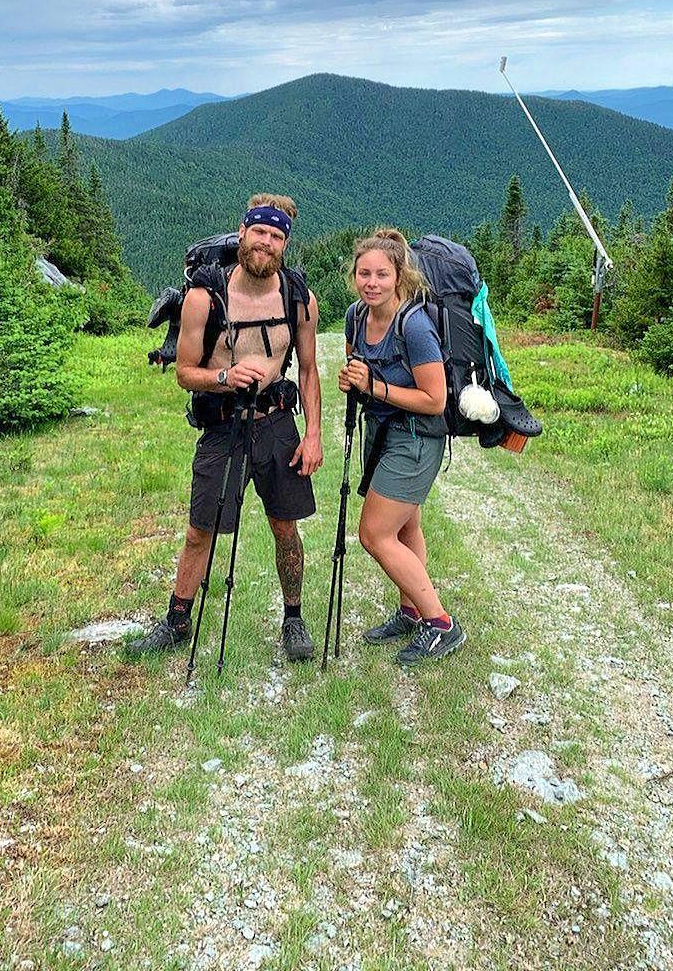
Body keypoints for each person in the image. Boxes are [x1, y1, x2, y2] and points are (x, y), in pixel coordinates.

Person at [129, 194, 324, 661]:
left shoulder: (298, 298)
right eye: (260, 232)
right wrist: (224, 377)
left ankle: (293, 620)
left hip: (277, 426)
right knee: (201, 530)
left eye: (277, 236)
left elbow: (311, 369)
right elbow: (184, 372)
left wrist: (314, 434)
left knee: (285, 527)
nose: (267, 243)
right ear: (242, 233)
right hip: (223, 426)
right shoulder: (204, 299)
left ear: (285, 245)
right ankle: (177, 620)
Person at [338, 228, 465, 666]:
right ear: (354, 275)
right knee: (406, 529)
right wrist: (356, 385)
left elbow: (435, 400)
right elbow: (361, 373)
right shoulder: (357, 316)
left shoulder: (414, 326)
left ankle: (441, 623)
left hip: (415, 438)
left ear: (399, 276)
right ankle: (411, 612)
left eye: (381, 274)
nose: (371, 282)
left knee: (375, 535)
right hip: (382, 434)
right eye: (364, 274)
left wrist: (375, 386)